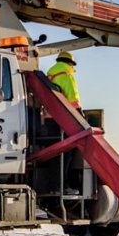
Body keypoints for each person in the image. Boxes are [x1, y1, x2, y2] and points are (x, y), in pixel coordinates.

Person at [46, 52, 81, 194]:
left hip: (49, 120)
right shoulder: (67, 75)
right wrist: (80, 116)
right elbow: (73, 100)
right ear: (70, 64)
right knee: (68, 153)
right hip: (64, 121)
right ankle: (64, 186)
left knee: (54, 156)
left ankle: (54, 186)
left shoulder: (50, 75)